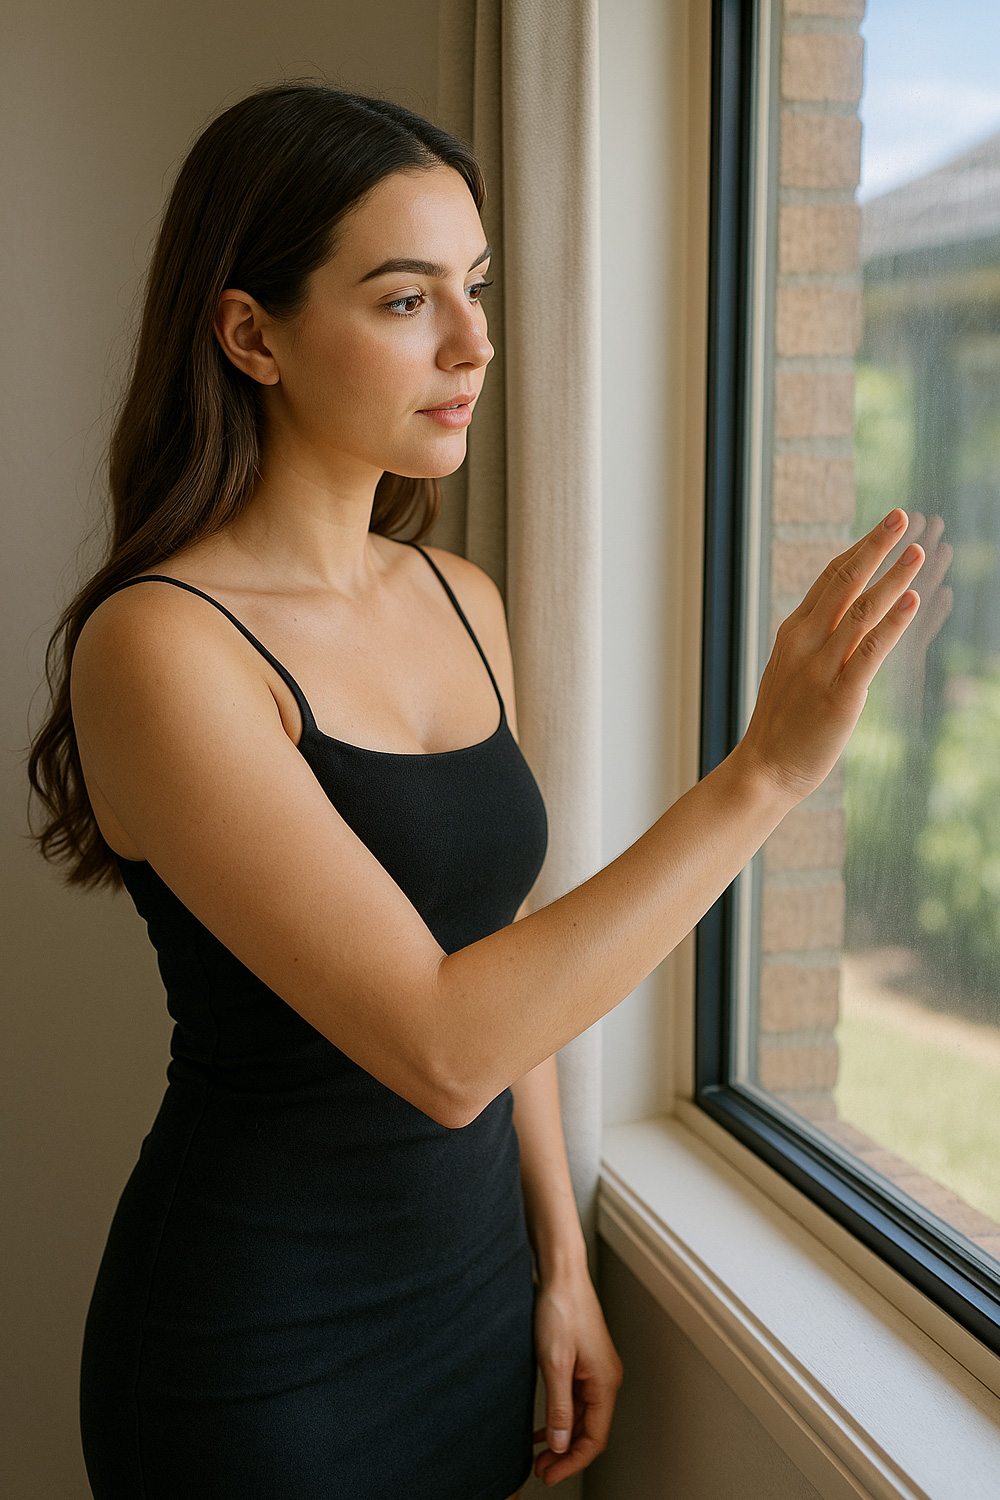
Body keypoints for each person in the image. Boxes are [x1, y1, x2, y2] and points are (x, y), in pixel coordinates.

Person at [26, 81, 925, 1500]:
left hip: (477, 1308)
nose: (474, 342)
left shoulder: (462, 599)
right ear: (250, 333)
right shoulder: (160, 646)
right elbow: (446, 1048)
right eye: (404, 300)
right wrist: (762, 778)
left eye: (479, 286)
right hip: (261, 1361)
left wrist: (559, 1268)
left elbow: (513, 967)